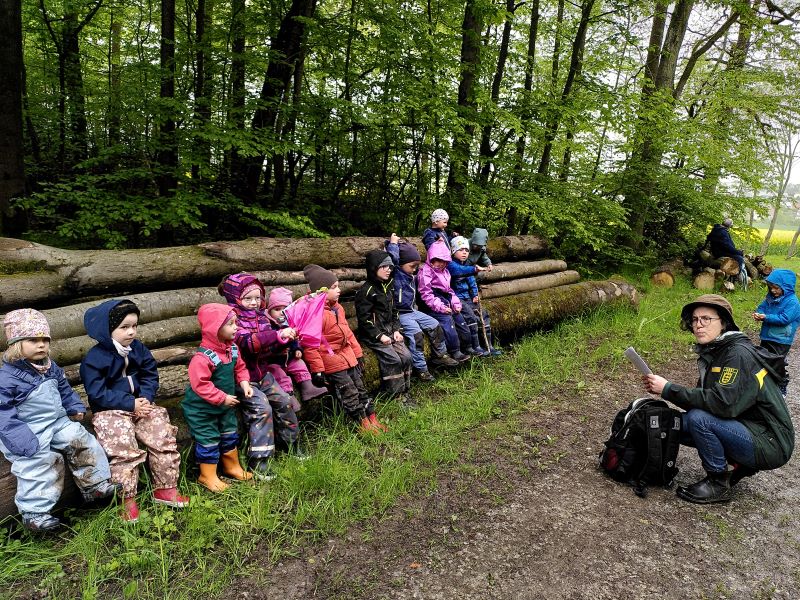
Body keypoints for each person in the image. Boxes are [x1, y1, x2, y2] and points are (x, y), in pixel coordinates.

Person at [643, 294, 794, 504]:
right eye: (695, 320)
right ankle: (740, 465)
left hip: (770, 443)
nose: (698, 325)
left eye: (706, 319)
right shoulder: (716, 352)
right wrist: (664, 391)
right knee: (674, 423)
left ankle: (718, 482)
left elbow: (721, 405)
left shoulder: (736, 354)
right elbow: (704, 400)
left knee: (699, 419)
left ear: (723, 323)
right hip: (746, 427)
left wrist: (668, 388)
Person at [0, 309, 121, 532]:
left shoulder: (49, 366)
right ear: (16, 343)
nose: (41, 345)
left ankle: (94, 484)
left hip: (56, 422)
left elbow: (64, 389)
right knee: (40, 461)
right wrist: (19, 439)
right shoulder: (7, 377)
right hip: (28, 429)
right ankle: (35, 513)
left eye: (45, 340)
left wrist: (73, 406)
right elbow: (3, 412)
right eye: (33, 340)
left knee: (80, 437)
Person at [81, 300, 189, 522]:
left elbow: (150, 374)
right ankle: (126, 499)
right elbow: (96, 392)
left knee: (162, 434)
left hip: (141, 405)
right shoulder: (94, 358)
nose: (131, 332)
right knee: (123, 448)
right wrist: (129, 404)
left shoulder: (138, 348)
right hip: (110, 410)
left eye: (134, 326)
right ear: (107, 329)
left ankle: (165, 488)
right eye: (124, 327)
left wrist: (146, 400)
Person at [218, 273, 305, 472]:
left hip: (263, 374)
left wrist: (285, 341)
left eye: (258, 298)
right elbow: (248, 344)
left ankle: (291, 444)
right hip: (242, 378)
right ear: (235, 298)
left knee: (284, 401)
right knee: (261, 409)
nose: (254, 302)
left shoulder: (262, 317)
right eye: (248, 298)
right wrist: (277, 335)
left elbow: (268, 348)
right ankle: (259, 460)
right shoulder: (232, 320)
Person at [301, 264, 388, 434]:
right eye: (334, 287)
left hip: (348, 356)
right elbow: (311, 345)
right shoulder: (314, 314)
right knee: (349, 392)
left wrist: (358, 353)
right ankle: (361, 424)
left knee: (361, 389)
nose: (339, 290)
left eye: (338, 286)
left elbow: (347, 333)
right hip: (332, 361)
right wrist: (318, 370)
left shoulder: (337, 308)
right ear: (321, 292)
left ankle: (372, 418)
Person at [182, 303, 256, 491]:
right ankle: (207, 475)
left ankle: (232, 467)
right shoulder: (202, 358)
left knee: (229, 433)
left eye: (235, 323)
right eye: (230, 324)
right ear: (214, 328)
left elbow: (240, 368)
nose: (236, 327)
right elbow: (201, 385)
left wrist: (245, 383)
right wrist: (221, 397)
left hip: (225, 406)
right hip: (202, 410)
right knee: (209, 438)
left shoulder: (232, 349)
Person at [385, 234, 459, 382]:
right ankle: (421, 369)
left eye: (416, 266)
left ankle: (440, 355)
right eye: (412, 266)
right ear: (401, 264)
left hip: (412, 310)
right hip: (400, 314)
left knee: (434, 324)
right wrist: (393, 244)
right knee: (417, 335)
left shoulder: (409, 275)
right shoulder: (395, 274)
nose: (414, 270)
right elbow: (391, 259)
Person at [355, 249, 415, 407]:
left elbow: (394, 312)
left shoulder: (388, 287)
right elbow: (364, 320)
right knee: (393, 359)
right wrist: (379, 336)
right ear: (374, 268)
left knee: (407, 356)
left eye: (390, 266)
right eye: (385, 266)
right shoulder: (366, 291)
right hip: (374, 336)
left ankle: (405, 391)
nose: (389, 269)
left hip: (390, 331)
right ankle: (395, 395)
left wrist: (396, 330)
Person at [265, 287, 328, 404]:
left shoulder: (290, 323)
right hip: (275, 361)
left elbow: (294, 339)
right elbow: (270, 344)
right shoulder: (268, 326)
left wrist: (297, 348)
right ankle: (289, 396)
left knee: (300, 364)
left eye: (285, 309)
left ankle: (308, 387)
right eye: (277, 309)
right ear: (269, 312)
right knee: (280, 374)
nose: (281, 312)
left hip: (289, 358)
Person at [417, 239, 472, 362]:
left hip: (445, 300)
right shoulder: (425, 272)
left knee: (459, 318)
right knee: (447, 321)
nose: (441, 264)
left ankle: (467, 346)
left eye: (444, 261)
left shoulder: (445, 272)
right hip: (430, 306)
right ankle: (454, 351)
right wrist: (441, 307)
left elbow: (450, 291)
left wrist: (455, 303)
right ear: (431, 258)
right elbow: (426, 294)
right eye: (438, 260)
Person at [448, 236, 501, 357]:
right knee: (470, 316)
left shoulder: (467, 264)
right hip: (457, 298)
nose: (464, 253)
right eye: (460, 250)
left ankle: (488, 346)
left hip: (468, 297)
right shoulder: (451, 265)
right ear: (453, 251)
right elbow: (460, 270)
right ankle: (475, 346)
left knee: (484, 314)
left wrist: (475, 295)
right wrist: (474, 269)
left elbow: (472, 282)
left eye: (466, 250)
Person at [753, 269, 800, 395]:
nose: (773, 290)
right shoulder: (770, 297)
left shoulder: (793, 302)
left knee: (777, 363)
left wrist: (766, 317)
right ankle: (766, 386)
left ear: (786, 287)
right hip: (767, 336)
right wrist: (760, 313)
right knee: (763, 359)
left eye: (776, 288)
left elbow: (785, 319)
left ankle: (782, 384)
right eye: (770, 287)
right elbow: (762, 307)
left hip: (781, 340)